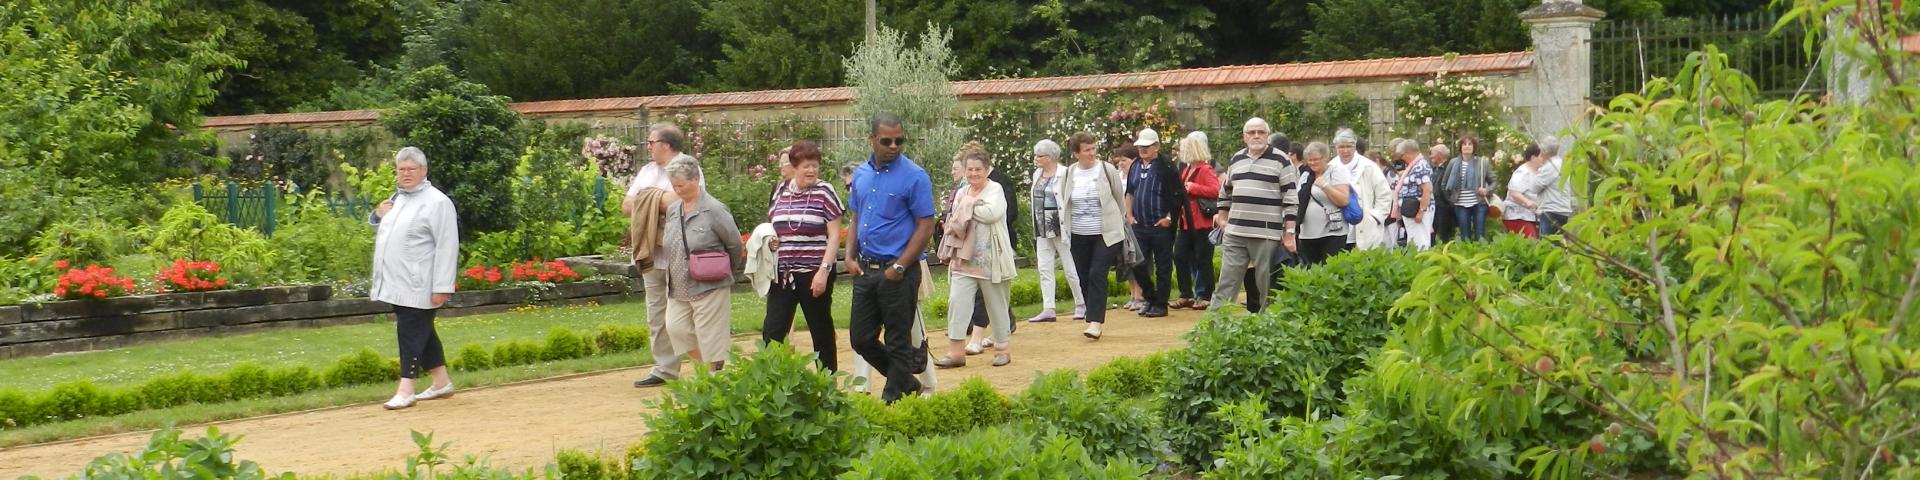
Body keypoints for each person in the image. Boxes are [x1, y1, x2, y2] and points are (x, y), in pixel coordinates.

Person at [844, 113, 938, 403]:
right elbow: (856, 217)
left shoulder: (915, 176)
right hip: (865, 270)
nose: (894, 146)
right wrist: (848, 256)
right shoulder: (861, 174)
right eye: (886, 141)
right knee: (860, 339)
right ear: (872, 139)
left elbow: (926, 225)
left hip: (899, 271)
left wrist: (900, 266)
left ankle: (893, 399)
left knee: (898, 342)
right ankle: (907, 383)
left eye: (899, 140)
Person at [368, 147, 459, 411]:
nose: (406, 173)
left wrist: (442, 286)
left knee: (409, 331)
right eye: (401, 169)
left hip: (420, 283)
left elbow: (447, 245)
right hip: (396, 281)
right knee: (422, 330)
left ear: (424, 171)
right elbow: (390, 230)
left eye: (411, 169)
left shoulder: (437, 202)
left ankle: (406, 388)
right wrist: (378, 215)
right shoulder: (398, 198)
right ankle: (441, 382)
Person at [625, 123, 702, 388]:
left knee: (685, 313)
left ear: (666, 145)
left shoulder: (687, 167)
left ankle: (707, 365)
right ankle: (665, 369)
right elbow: (627, 205)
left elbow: (681, 201)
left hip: (679, 253)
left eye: (651, 142)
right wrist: (657, 199)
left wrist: (646, 199)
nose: (647, 146)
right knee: (656, 314)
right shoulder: (647, 170)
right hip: (650, 251)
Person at [933, 143, 1017, 369]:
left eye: (978, 169)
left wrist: (967, 207)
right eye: (969, 169)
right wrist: (971, 205)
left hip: (992, 261)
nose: (973, 173)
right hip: (963, 259)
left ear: (987, 169)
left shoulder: (995, 189)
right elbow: (953, 217)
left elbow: (992, 214)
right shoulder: (962, 192)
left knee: (997, 305)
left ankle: (1002, 348)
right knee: (957, 303)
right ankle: (956, 352)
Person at [762, 141, 844, 371]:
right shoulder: (780, 190)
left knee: (821, 331)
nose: (811, 171)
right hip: (783, 274)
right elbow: (772, 225)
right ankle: (772, 382)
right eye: (806, 166)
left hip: (814, 273)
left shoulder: (825, 192)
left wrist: (823, 271)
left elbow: (835, 235)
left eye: (815, 166)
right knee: (773, 330)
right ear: (795, 167)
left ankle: (827, 384)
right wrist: (771, 240)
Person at [659, 156, 744, 372]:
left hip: (709, 284)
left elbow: (734, 244)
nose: (677, 190)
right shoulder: (673, 210)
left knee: (711, 339)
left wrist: (722, 271)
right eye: (674, 185)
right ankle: (707, 369)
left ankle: (713, 380)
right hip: (678, 286)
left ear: (696, 179)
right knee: (676, 329)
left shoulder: (714, 209)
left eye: (681, 184)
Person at [1210, 119, 1300, 314]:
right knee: (1227, 282)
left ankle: (1268, 326)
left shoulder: (1281, 160)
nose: (1256, 135)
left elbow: (1291, 199)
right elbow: (1225, 192)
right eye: (1251, 132)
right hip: (1236, 232)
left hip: (1266, 233)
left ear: (1267, 136)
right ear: (1244, 136)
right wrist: (1222, 217)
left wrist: (1289, 234)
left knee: (1266, 284)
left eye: (1260, 132)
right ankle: (1212, 326)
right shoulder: (1237, 159)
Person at [1060, 132, 1127, 339]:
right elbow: (1066, 201)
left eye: (1093, 148)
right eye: (1087, 150)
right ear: (1076, 153)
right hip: (1079, 233)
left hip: (1106, 233)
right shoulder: (1069, 173)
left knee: (1097, 273)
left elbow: (1119, 200)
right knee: (1083, 275)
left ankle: (1095, 322)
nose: (1092, 153)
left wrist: (1121, 224)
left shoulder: (1107, 170)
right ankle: (1092, 312)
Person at [1125, 128, 1184, 318]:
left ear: (1156, 147)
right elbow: (1130, 192)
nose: (1142, 149)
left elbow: (1176, 195)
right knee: (1137, 263)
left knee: (1163, 266)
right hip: (1139, 225)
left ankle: (1161, 304)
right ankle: (1150, 297)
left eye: (1146, 146)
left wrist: (1168, 218)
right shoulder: (1135, 166)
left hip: (1160, 226)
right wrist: (1129, 216)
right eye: (1140, 146)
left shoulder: (1165, 166)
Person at [1027, 140, 1086, 322]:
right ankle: (1049, 308)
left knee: (1070, 267)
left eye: (1040, 156)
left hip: (1060, 227)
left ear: (1050, 157)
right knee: (1044, 268)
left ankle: (1081, 304)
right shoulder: (1038, 174)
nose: (1036, 159)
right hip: (1042, 227)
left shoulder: (1065, 173)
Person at [1171, 134, 1219, 310]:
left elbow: (1216, 190)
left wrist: (1194, 188)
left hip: (1202, 223)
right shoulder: (1187, 170)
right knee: (1180, 256)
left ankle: (1206, 295)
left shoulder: (1204, 169)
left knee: (1203, 259)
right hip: (1187, 222)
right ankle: (1187, 294)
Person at [1334, 129, 1392, 251]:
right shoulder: (1331, 167)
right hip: (1339, 226)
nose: (1345, 150)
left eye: (1349, 146)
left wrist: (1376, 216)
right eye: (1341, 147)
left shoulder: (1369, 166)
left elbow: (1384, 194)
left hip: (1365, 223)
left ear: (1354, 146)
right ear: (1336, 148)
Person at [1296, 142, 1351, 266]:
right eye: (1309, 160)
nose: (1312, 163)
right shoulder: (1305, 175)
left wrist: (1325, 186)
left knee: (1331, 269)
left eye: (1316, 159)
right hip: (1307, 233)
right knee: (1310, 270)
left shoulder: (1335, 171)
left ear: (1325, 157)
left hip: (1333, 232)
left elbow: (1344, 200)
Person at [1110, 145, 1145, 311]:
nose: (1121, 163)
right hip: (1120, 223)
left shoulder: (1137, 177)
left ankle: (1140, 295)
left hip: (1135, 221)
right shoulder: (1117, 177)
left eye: (1124, 160)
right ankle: (1132, 294)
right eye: (1119, 160)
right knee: (1126, 259)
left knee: (1137, 258)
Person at [1440, 135, 1494, 242]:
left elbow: (1494, 181)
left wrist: (1486, 190)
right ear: (1460, 147)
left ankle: (1482, 256)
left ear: (1474, 147)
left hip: (1479, 203)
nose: (1467, 146)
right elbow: (1444, 184)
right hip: (1460, 204)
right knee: (1465, 235)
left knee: (1480, 235)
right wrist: (1451, 200)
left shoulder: (1482, 162)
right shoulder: (1453, 163)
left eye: (1470, 144)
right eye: (1464, 144)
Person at [1389, 139, 1436, 251]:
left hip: (1417, 210)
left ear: (1408, 152)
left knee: (1421, 240)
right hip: (1411, 210)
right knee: (1414, 240)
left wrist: (1421, 211)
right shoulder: (1413, 165)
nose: (1401, 158)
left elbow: (1427, 190)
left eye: (1402, 155)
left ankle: (1422, 263)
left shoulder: (1421, 166)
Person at [1533, 139, 1575, 236]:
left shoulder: (1549, 167)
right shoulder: (1562, 163)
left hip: (1551, 210)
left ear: (1545, 151)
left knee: (1548, 245)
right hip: (1563, 209)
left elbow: (1535, 187)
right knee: (1559, 242)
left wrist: (1539, 168)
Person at [1504, 144, 1546, 239]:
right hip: (1517, 216)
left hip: (1533, 216)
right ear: (1533, 157)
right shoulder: (1522, 172)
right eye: (1541, 156)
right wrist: (1528, 202)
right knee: (1531, 241)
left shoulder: (1539, 172)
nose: (1544, 159)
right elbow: (1514, 192)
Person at [1428, 143, 1457, 243]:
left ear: (1440, 154)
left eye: (1432, 153)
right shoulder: (1435, 168)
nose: (1430, 156)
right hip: (1434, 205)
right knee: (1433, 230)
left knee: (1445, 232)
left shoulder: (1450, 167)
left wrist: (1449, 201)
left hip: (1444, 205)